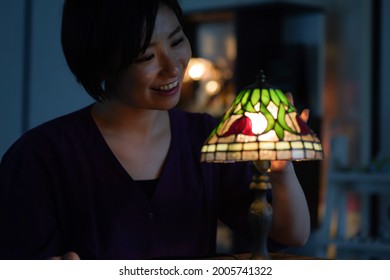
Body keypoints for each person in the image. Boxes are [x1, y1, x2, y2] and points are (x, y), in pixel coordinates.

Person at [0, 0, 310, 260]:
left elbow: (290, 235)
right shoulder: (39, 156)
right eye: (146, 56)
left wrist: (282, 171)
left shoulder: (208, 137)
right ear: (102, 65)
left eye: (177, 40)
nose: (173, 68)